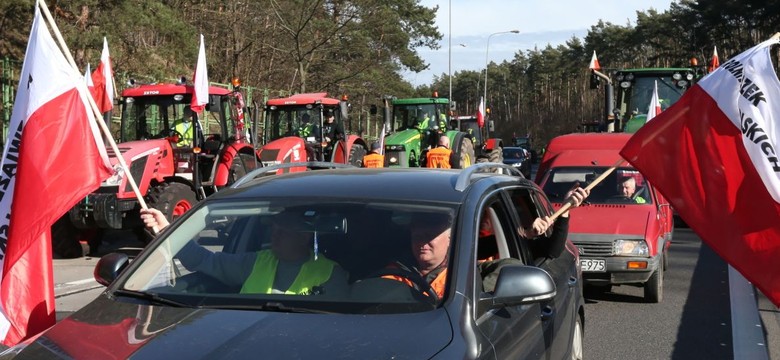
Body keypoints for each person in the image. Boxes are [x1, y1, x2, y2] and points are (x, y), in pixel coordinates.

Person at [139, 208, 349, 296]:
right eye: (273, 231)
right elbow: (203, 261)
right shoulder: (256, 262)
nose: (273, 237)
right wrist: (167, 231)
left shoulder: (330, 274)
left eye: (283, 232)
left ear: (304, 237)